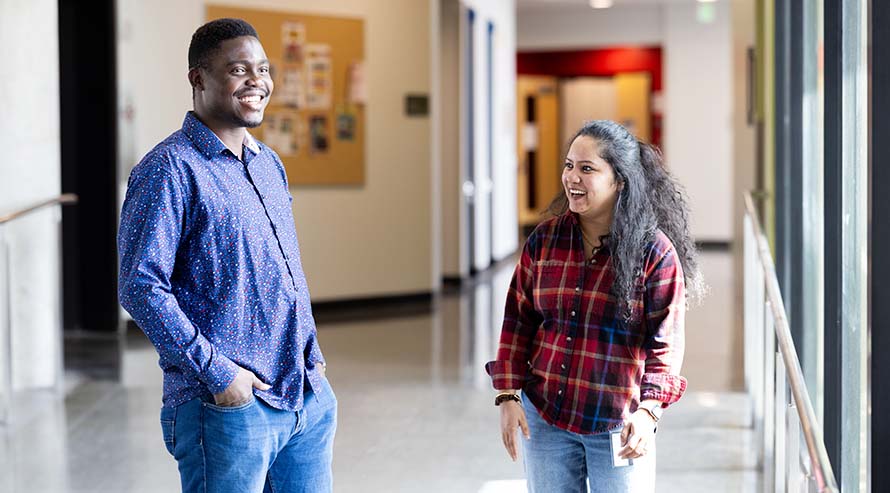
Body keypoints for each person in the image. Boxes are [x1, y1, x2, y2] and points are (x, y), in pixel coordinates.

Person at [118, 18, 336, 493]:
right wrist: (220, 375)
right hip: (227, 408)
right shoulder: (168, 170)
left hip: (304, 395)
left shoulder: (267, 163)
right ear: (198, 78)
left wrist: (313, 359)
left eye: (262, 69)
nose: (257, 81)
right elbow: (140, 286)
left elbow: (284, 271)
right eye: (239, 69)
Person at [485, 120, 702, 492]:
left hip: (619, 423)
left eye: (587, 169)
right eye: (569, 165)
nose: (572, 177)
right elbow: (518, 319)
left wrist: (649, 411)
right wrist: (507, 394)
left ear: (620, 180)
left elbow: (665, 343)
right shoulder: (545, 240)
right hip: (547, 417)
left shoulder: (655, 252)